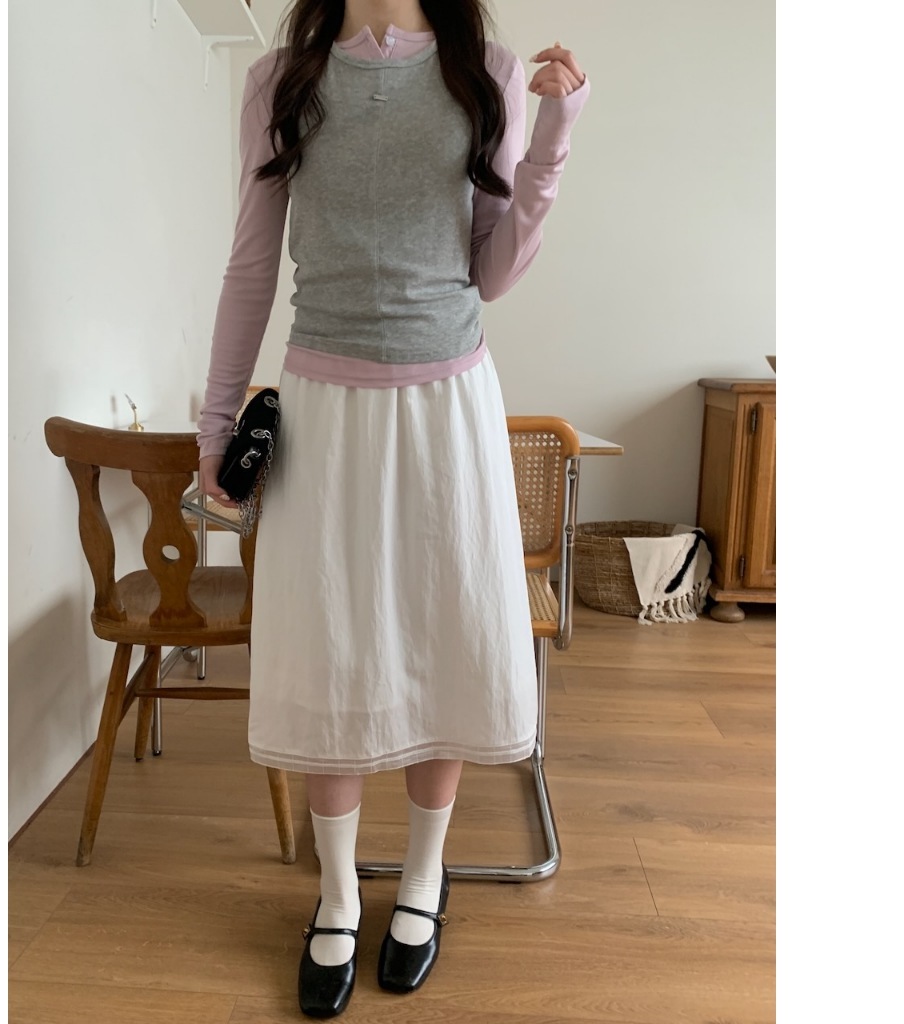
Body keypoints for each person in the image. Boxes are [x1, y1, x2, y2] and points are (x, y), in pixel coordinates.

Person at [197, 0, 588, 1016]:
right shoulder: (280, 78)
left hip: (447, 400)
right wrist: (215, 425)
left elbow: (492, 271)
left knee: (442, 632)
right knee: (329, 645)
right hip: (321, 405)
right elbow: (251, 262)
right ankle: (336, 894)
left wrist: (551, 140)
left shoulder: (486, 70)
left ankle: (421, 876)